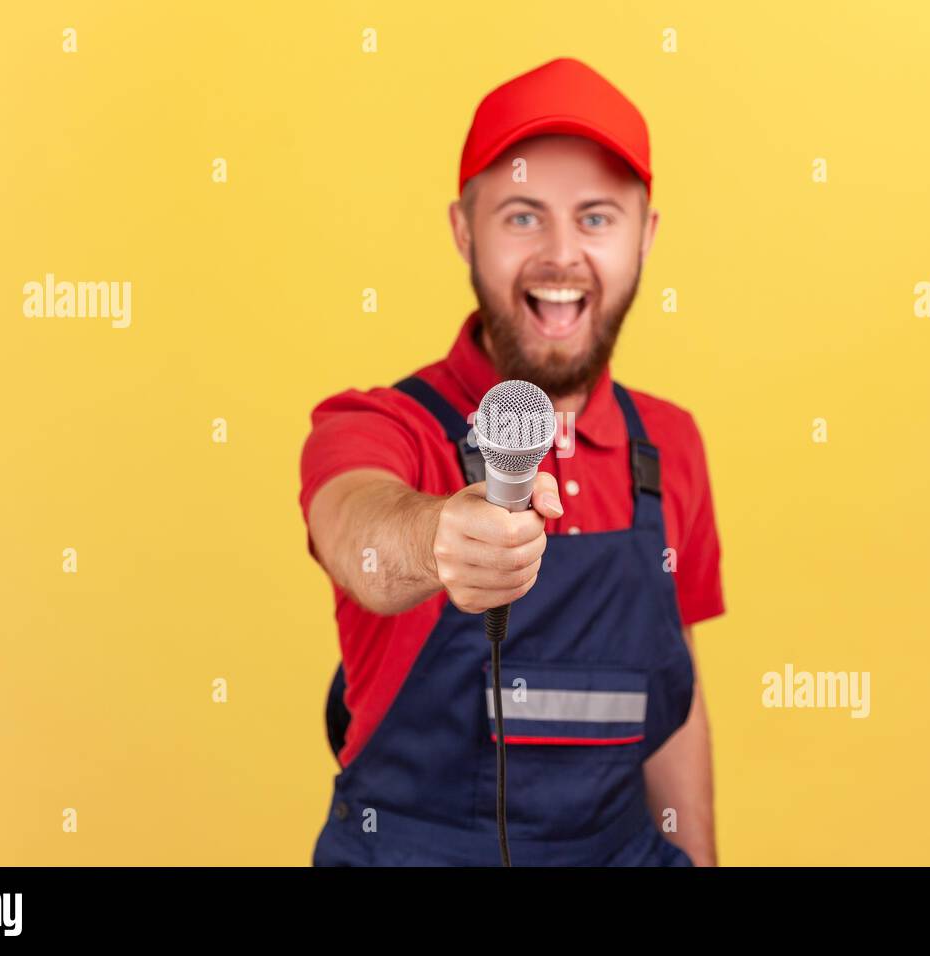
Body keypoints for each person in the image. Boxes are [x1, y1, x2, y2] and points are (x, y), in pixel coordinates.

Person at [299, 57, 724, 866]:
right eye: (523, 217)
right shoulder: (379, 426)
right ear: (464, 228)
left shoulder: (670, 446)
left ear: (647, 235)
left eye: (597, 218)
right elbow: (360, 535)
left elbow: (673, 705)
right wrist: (437, 539)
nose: (562, 257)